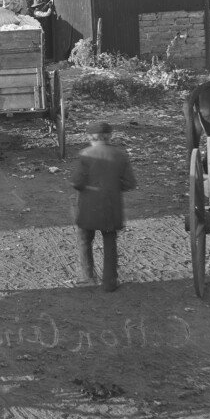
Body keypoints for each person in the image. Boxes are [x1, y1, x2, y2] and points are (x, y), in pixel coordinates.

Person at [71, 120, 137, 292]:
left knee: (84, 240)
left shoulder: (85, 154)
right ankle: (109, 282)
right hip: (111, 206)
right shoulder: (120, 155)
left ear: (90, 137)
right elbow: (130, 183)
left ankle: (88, 277)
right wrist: (114, 187)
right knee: (110, 241)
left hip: (88, 206)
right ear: (110, 136)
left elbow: (77, 182)